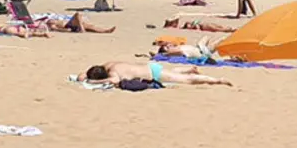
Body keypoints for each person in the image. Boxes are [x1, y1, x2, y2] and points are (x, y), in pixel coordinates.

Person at [79, 61, 232, 87]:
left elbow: (113, 81)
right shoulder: (109, 64)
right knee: (172, 73)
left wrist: (93, 82)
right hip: (150, 67)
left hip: (153, 73)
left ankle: (218, 80)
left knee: (188, 81)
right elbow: (81, 74)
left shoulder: (113, 72)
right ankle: (188, 68)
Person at [47, 12, 115, 33]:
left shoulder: (52, 21)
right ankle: (82, 29)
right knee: (77, 15)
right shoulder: (50, 24)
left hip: (70, 25)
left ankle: (105, 31)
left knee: (90, 27)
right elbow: (56, 29)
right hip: (68, 25)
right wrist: (67, 30)